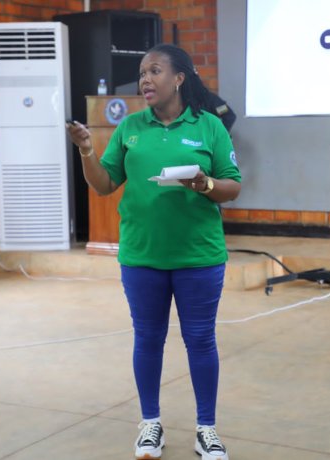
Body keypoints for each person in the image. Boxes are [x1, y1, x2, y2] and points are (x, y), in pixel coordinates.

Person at [66, 43, 241, 460]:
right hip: (142, 255)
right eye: (142, 72)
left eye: (155, 71)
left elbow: (232, 185)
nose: (145, 79)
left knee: (200, 340)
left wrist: (205, 184)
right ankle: (150, 424)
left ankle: (206, 429)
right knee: (147, 339)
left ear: (179, 78)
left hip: (198, 256)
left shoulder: (209, 126)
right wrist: (87, 149)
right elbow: (105, 184)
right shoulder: (130, 127)